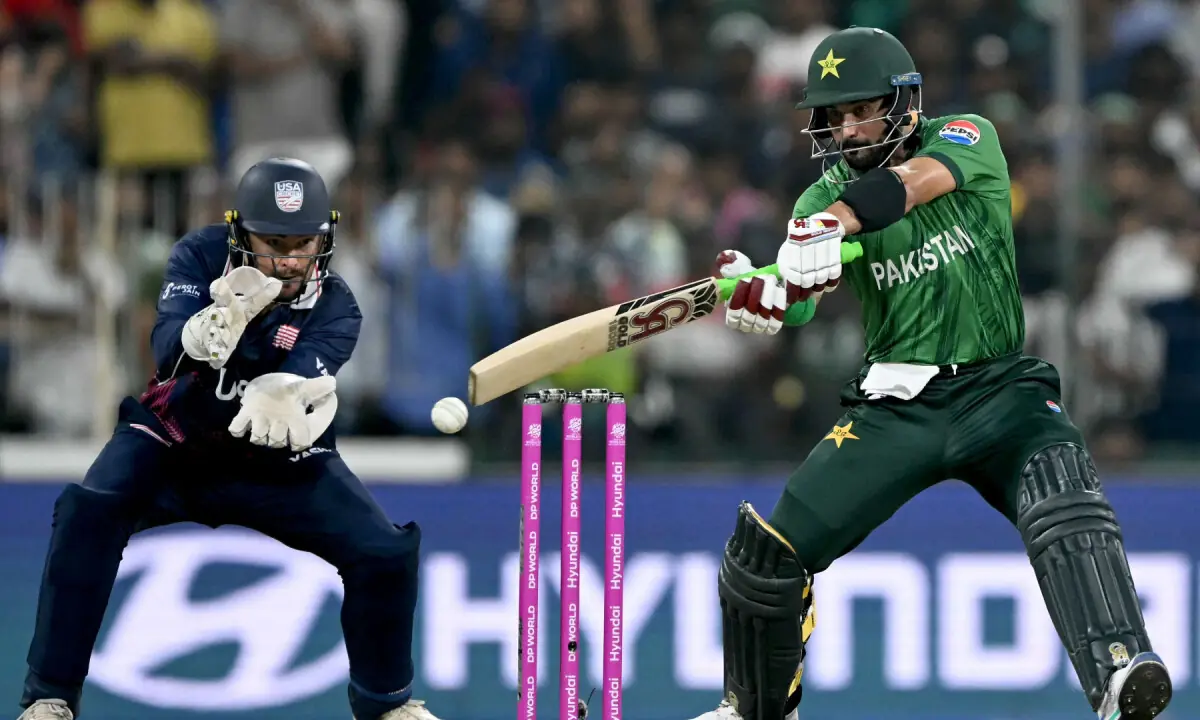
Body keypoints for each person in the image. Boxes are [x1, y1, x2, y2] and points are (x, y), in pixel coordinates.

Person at [697, 27, 1172, 720]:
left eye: (862, 109)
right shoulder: (817, 204)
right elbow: (802, 297)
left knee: (1062, 495)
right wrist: (766, 298)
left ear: (905, 103)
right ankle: (754, 710)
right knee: (764, 559)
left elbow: (912, 185)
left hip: (998, 390)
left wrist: (833, 224)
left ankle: (1119, 672)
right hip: (895, 406)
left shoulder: (966, 138)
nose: (847, 128)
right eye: (833, 115)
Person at [16, 158, 438, 720]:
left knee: (384, 553)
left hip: (279, 463)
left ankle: (387, 705)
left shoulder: (339, 307)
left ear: (325, 238)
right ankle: (49, 698)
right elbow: (167, 349)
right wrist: (204, 330)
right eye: (273, 241)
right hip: (173, 445)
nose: (289, 259)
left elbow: (305, 374)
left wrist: (281, 388)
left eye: (303, 243)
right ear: (239, 233)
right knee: (87, 512)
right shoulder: (198, 255)